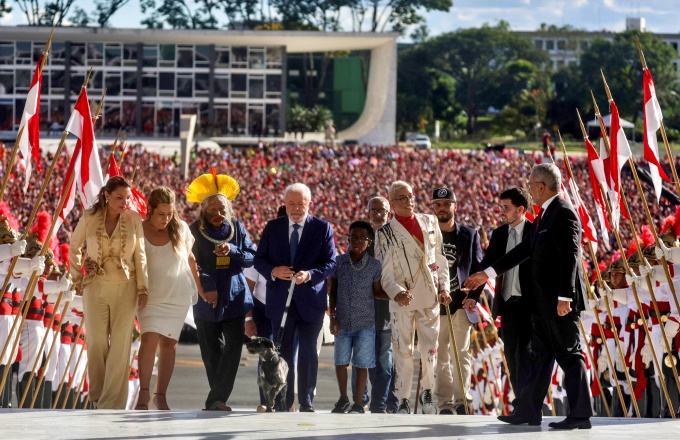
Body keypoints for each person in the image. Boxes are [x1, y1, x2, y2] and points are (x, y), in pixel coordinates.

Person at [465, 163, 592, 429]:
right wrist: (486, 273)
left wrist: (565, 297)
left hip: (559, 303)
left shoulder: (563, 212)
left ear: (542, 186)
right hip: (544, 305)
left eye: (531, 184)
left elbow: (571, 257)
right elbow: (523, 250)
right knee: (539, 359)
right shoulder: (545, 215)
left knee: (569, 355)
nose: (530, 189)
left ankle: (580, 415)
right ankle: (528, 411)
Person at [103, 186, 201, 411]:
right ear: (150, 209)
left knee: (169, 345)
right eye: (161, 214)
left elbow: (191, 259)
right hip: (150, 296)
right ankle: (143, 395)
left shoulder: (181, 228)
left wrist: (203, 290)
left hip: (177, 296)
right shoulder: (138, 228)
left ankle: (161, 395)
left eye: (169, 214)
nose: (165, 219)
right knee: (149, 339)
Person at [254, 183, 336, 412]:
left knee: (309, 353)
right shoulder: (272, 228)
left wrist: (310, 274)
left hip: (311, 302)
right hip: (280, 302)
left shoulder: (322, 228)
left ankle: (306, 402)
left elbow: (330, 263)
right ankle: (284, 401)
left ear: (310, 204)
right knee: (284, 354)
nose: (296, 208)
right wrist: (273, 271)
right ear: (285, 204)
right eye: (291, 204)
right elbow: (259, 260)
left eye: (301, 204)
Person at [69, 176, 149, 410]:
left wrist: (143, 287)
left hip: (127, 286)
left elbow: (140, 254)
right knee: (95, 341)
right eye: (119, 197)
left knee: (121, 344)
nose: (125, 202)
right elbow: (75, 247)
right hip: (95, 285)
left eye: (127, 197)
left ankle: (112, 403)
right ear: (106, 195)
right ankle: (98, 395)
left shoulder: (135, 219)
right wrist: (79, 274)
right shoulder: (89, 216)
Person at [374, 180, 451, 414]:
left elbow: (440, 259)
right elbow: (385, 273)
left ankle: (428, 392)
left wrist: (444, 288)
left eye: (410, 196)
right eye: (402, 198)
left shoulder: (430, 222)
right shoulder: (385, 233)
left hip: (429, 297)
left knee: (430, 350)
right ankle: (404, 397)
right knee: (403, 352)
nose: (408, 202)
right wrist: (396, 292)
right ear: (392, 204)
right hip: (402, 300)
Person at [187, 171, 257, 411]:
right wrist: (208, 288)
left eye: (221, 210)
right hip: (205, 299)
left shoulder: (237, 227)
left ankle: (215, 398)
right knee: (211, 352)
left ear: (228, 210)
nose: (217, 214)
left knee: (233, 348)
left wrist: (233, 251)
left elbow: (251, 258)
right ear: (202, 211)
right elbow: (191, 263)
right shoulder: (193, 230)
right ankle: (218, 400)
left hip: (235, 296)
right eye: (211, 210)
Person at [430, 187, 483, 415]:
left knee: (461, 354)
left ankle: (463, 401)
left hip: (461, 303)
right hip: (435, 305)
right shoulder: (427, 235)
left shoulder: (469, 235)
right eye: (438, 204)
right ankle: (445, 404)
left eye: (446, 204)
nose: (442, 208)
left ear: (455, 206)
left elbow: (479, 269)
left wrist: (473, 297)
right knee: (440, 356)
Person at [479, 187, 533, 403]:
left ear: (520, 209)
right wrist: (471, 290)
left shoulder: (535, 232)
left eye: (506, 208)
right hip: (508, 306)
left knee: (526, 356)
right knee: (511, 357)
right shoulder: (499, 234)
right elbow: (487, 265)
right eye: (500, 207)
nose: (501, 212)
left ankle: (530, 404)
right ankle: (522, 403)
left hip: (531, 306)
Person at [329, 221, 385, 414]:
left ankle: (359, 403)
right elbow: (332, 291)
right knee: (341, 361)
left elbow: (377, 291)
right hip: (342, 320)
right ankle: (343, 398)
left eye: (362, 238)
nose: (357, 241)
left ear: (369, 242)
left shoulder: (375, 265)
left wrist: (396, 295)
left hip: (365, 323)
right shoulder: (339, 262)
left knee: (362, 363)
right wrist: (332, 316)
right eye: (353, 237)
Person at [365, 196, 398, 413]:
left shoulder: (396, 240)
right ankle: (385, 401)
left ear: (389, 213)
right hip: (367, 311)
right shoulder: (361, 241)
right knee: (370, 361)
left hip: (388, 310)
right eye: (374, 210)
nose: (378, 214)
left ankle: (383, 403)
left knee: (385, 360)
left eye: (382, 211)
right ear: (368, 214)